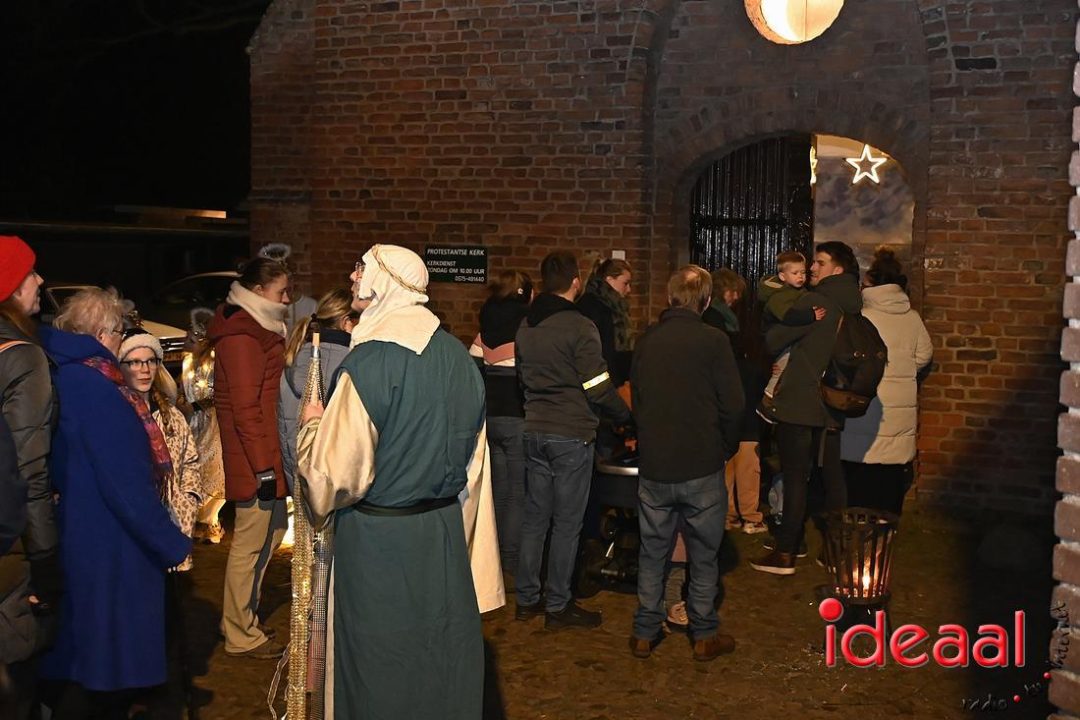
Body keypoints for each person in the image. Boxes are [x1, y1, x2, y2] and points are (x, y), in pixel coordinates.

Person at [297, 245, 502, 719]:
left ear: (383, 282)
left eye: (361, 268)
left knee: (380, 665)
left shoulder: (370, 365)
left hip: (378, 545)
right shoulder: (459, 359)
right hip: (443, 537)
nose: (353, 277)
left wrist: (311, 428)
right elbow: (475, 470)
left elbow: (330, 480)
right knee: (438, 660)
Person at [38, 287, 191, 716]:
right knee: (105, 665)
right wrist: (170, 542)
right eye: (121, 332)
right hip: (110, 543)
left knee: (85, 655)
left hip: (84, 530)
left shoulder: (68, 373)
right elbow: (124, 482)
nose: (122, 340)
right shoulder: (96, 387)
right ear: (103, 333)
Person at [628, 265, 744, 661]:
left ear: (670, 297)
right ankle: (704, 633)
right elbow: (734, 404)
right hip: (701, 461)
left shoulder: (647, 341)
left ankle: (645, 631)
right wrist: (725, 447)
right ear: (706, 301)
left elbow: (638, 399)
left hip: (657, 464)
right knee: (704, 554)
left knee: (652, 552)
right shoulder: (714, 341)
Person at [515, 250, 632, 629]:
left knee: (535, 520)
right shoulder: (580, 326)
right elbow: (597, 387)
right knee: (567, 524)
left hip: (534, 430)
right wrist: (625, 417)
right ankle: (558, 605)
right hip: (571, 433)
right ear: (576, 282)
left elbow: (522, 378)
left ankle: (527, 598)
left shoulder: (527, 325)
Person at [750, 241, 861, 576]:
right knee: (833, 477)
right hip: (832, 400)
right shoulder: (854, 303)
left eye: (820, 263)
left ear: (837, 269)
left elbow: (772, 341)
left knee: (796, 476)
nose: (812, 268)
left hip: (800, 400)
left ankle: (787, 550)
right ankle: (836, 552)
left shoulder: (817, 301)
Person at [208, 257, 291, 659]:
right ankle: (240, 632)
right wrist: (263, 468)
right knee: (249, 544)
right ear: (259, 291)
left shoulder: (258, 329)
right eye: (281, 291)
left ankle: (241, 618)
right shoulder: (242, 336)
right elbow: (246, 409)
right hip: (255, 457)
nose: (287, 299)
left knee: (272, 532)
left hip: (264, 452)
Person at [0, 236, 61, 720]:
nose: (39, 281)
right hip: (10, 545)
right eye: (29, 273)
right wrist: (44, 559)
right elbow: (28, 469)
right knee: (15, 676)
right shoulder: (22, 356)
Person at [841, 247, 933, 514]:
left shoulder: (862, 317)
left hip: (868, 398)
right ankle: (886, 522)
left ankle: (858, 522)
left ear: (870, 284)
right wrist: (901, 371)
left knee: (860, 466)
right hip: (900, 403)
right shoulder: (912, 318)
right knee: (891, 472)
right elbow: (924, 355)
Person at [118, 329, 203, 571]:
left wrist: (188, 501)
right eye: (135, 362)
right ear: (121, 366)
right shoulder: (117, 414)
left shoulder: (170, 416)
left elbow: (190, 461)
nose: (145, 369)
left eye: (151, 361)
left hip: (172, 525)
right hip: (133, 528)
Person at [469, 270, 533, 575]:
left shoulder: (484, 328)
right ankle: (510, 560)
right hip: (517, 415)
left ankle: (491, 557)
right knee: (518, 492)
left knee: (498, 489)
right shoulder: (526, 327)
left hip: (491, 417)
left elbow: (472, 370)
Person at [704, 268, 768, 535]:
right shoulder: (720, 322)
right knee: (746, 459)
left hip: (727, 400)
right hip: (738, 396)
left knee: (729, 460)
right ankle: (749, 515)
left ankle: (728, 514)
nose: (737, 298)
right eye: (735, 292)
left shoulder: (716, 320)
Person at [278, 289, 359, 492]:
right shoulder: (354, 364)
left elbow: (285, 430)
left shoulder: (293, 358)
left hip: (300, 480)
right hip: (340, 488)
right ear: (346, 322)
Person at [756, 251, 826, 421]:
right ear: (782, 276)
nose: (800, 277)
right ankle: (767, 399)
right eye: (795, 273)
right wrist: (811, 315)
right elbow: (788, 316)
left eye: (803, 272)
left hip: (787, 339)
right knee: (781, 367)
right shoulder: (779, 296)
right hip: (777, 339)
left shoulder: (797, 291)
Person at [182, 308, 227, 544]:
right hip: (193, 423)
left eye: (191, 341)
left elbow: (215, 393)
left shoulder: (213, 363)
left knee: (212, 466)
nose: (186, 345)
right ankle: (197, 519)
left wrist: (197, 405)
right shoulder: (187, 362)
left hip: (210, 423)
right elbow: (185, 388)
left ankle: (210, 520)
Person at [577, 257, 634, 387]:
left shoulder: (610, 306)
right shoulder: (598, 309)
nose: (628, 289)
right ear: (609, 280)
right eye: (625, 283)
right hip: (599, 383)